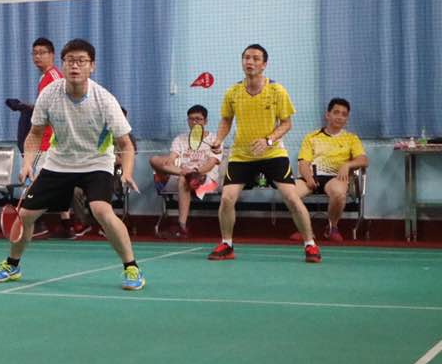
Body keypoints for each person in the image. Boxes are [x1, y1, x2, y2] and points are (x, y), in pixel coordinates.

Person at [0, 38, 144, 291]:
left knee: (102, 210)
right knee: (25, 215)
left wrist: (127, 172)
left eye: (81, 61)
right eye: (70, 61)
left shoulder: (104, 100)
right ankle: (12, 265)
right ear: (63, 64)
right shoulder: (50, 94)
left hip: (96, 162)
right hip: (59, 162)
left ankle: (131, 267)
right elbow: (35, 134)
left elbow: (125, 142)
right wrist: (27, 163)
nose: (75, 66)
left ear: (92, 66)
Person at [205, 44, 319, 263]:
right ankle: (227, 244)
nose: (250, 62)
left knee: (291, 197)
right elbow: (226, 120)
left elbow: (287, 123)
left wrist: (269, 140)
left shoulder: (277, 91)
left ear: (264, 64)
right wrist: (219, 140)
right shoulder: (233, 92)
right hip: (241, 155)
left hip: (272, 153)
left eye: (256, 58)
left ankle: (310, 244)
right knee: (227, 198)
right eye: (247, 58)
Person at [4, 37, 84, 238]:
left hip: (48, 142)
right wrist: (25, 106)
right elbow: (45, 107)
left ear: (52, 55)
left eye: (42, 53)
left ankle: (35, 224)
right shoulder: (45, 78)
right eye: (35, 53)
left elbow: (60, 106)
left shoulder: (54, 77)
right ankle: (66, 225)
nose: (37, 57)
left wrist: (26, 108)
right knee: (58, 183)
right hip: (50, 141)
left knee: (36, 183)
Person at [293, 97, 367, 243]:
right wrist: (308, 178)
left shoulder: (351, 138)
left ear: (347, 119)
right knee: (290, 193)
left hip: (335, 178)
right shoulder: (311, 137)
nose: (340, 117)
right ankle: (306, 230)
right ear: (328, 115)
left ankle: (332, 227)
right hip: (312, 177)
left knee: (339, 194)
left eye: (344, 114)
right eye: (336, 112)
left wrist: (347, 165)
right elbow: (303, 164)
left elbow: (364, 160)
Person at [149, 104, 222, 238]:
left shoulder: (215, 140)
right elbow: (171, 159)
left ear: (205, 121)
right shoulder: (180, 139)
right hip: (182, 175)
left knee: (183, 179)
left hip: (206, 180)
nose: (194, 122)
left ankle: (181, 225)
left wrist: (195, 171)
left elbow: (210, 165)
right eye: (191, 119)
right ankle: (185, 175)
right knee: (154, 160)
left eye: (198, 119)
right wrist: (173, 165)